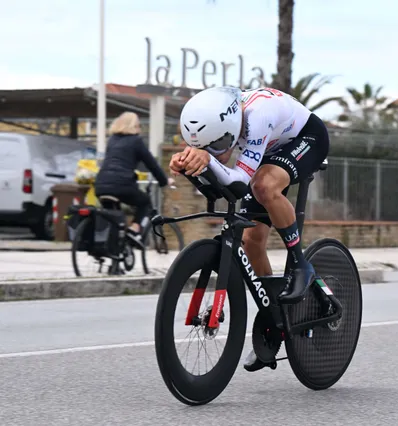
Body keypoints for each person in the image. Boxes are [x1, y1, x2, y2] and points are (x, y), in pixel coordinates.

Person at [169, 86, 330, 372]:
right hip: (268, 147)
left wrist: (207, 162)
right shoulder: (216, 118)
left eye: (217, 145)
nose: (212, 152)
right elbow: (220, 177)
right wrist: (187, 164)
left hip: (306, 138)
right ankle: (274, 314)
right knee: (251, 240)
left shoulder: (258, 115)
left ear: (230, 129)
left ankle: (300, 262)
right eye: (205, 146)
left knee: (264, 186)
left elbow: (240, 180)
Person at [94, 112, 171, 245]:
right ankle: (134, 230)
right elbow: (151, 164)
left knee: (115, 220)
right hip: (121, 185)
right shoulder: (136, 141)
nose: (140, 128)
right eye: (138, 125)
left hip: (101, 185)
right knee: (145, 203)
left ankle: (114, 252)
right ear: (134, 126)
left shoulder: (112, 140)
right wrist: (164, 181)